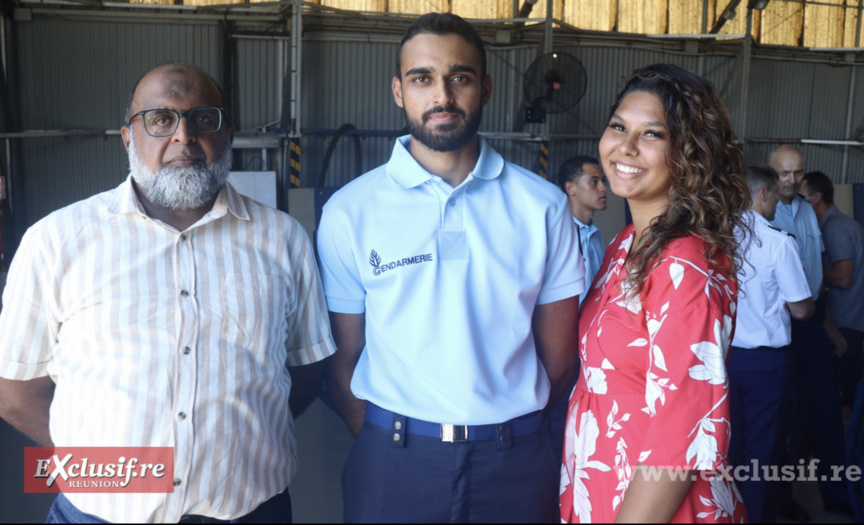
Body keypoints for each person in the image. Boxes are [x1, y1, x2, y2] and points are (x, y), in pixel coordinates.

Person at [0, 63, 336, 523]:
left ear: (228, 134)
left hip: (252, 510)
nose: (183, 135)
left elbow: (306, 369)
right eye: (161, 119)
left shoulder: (283, 240)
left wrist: (234, 442)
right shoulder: (56, 242)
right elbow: (15, 391)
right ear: (127, 137)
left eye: (203, 118)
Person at [317, 12, 585, 523]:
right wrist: (395, 442)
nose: (441, 95)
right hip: (393, 462)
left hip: (515, 463)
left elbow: (559, 356)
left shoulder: (543, 207)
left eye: (458, 77)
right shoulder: (351, 211)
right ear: (399, 92)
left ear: (484, 88)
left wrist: (505, 431)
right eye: (422, 78)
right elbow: (343, 356)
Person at [559, 63, 749, 523]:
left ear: (690, 152)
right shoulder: (627, 244)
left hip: (654, 507)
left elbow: (681, 433)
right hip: (603, 484)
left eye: (652, 135)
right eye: (618, 127)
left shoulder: (684, 265)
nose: (625, 147)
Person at [728, 164, 814, 523]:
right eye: (776, 195)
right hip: (767, 363)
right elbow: (801, 311)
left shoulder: (718, 239)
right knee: (763, 449)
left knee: (731, 445)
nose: (778, 203)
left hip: (725, 358)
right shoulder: (779, 243)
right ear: (763, 194)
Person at [768, 146, 849, 521]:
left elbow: (815, 274)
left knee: (827, 412)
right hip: (780, 328)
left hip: (813, 322)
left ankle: (838, 493)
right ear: (770, 174)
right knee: (781, 419)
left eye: (797, 173)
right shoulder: (757, 213)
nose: (791, 180)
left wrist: (828, 324)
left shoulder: (806, 212)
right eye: (783, 173)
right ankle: (781, 500)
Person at [801, 170, 864, 406]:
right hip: (848, 322)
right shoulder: (837, 224)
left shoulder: (835, 227)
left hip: (845, 324)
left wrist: (805, 273)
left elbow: (844, 278)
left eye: (800, 194)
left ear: (815, 197)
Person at [556, 155, 608, 305]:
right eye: (594, 182)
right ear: (571, 188)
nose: (603, 188)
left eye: (602, 181)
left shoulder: (595, 234)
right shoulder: (559, 234)